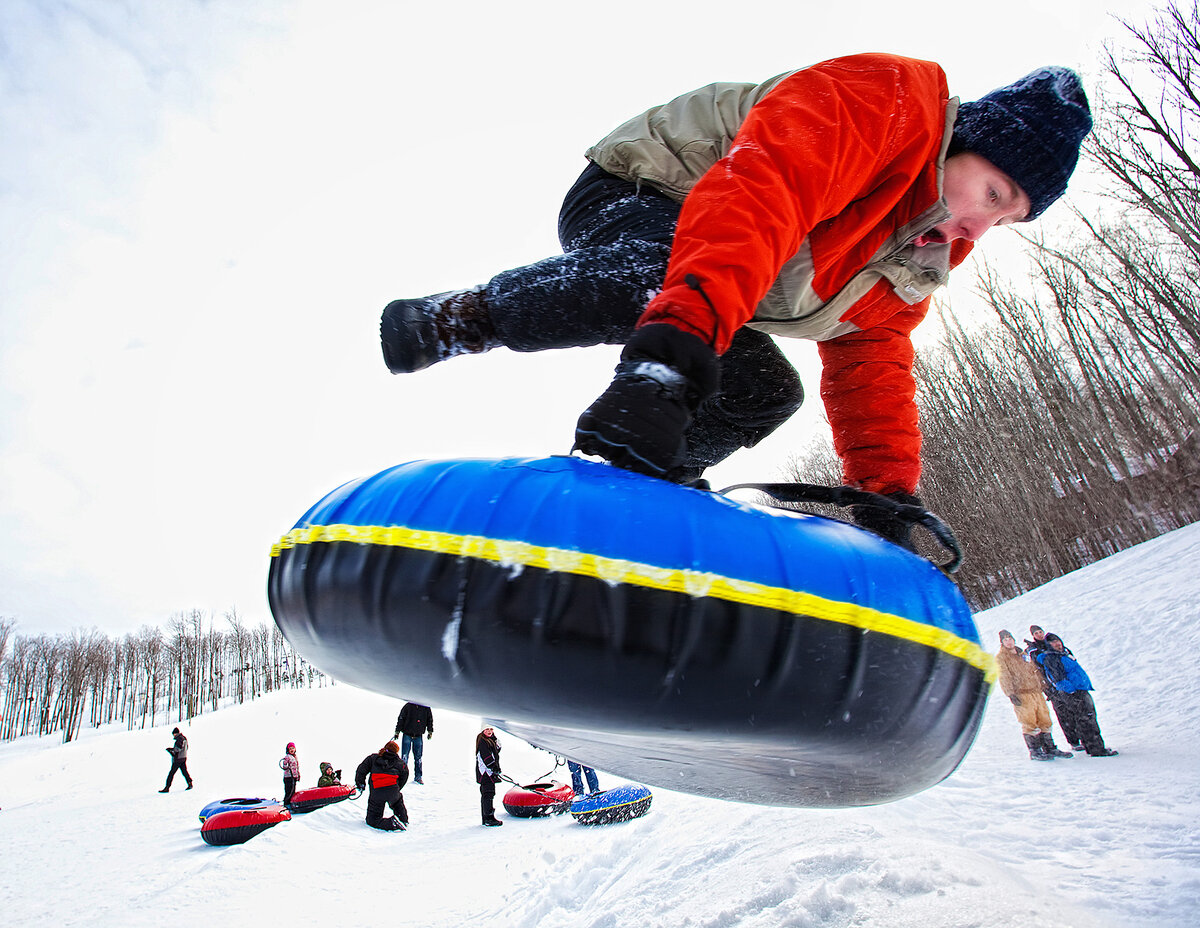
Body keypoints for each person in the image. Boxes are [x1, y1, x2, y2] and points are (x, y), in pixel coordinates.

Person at [379, 55, 1092, 543]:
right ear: (964, 143)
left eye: (1006, 219)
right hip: (655, 190)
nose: (981, 225)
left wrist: (888, 492)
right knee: (657, 275)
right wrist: (664, 373)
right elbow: (759, 199)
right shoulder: (886, 105)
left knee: (766, 391)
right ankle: (456, 319)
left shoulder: (923, 257)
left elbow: (872, 363)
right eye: (992, 194)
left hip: (718, 277)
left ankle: (642, 483)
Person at [1034, 634, 1118, 757]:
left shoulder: (1063, 654)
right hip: (1075, 693)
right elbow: (1058, 678)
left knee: (1085, 719)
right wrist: (1072, 691)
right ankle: (1097, 749)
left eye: (1058, 641)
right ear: (1048, 645)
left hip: (1079, 690)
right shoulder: (1051, 657)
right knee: (1087, 719)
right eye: (1053, 642)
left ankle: (1090, 746)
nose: (1057, 644)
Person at [995, 630, 1072, 761]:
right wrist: (1010, 693)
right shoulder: (1001, 658)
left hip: (1036, 691)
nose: (1009, 641)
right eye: (1005, 639)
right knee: (1029, 721)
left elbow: (1034, 670)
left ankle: (1049, 747)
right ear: (1002, 642)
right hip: (1022, 693)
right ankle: (1035, 750)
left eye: (1010, 638)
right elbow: (1004, 676)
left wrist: (1043, 684)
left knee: (1044, 719)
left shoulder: (1023, 653)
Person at [1026, 625, 1082, 750]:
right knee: (1063, 714)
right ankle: (1073, 741)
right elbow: (1037, 669)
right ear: (1033, 635)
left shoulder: (1052, 643)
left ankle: (1082, 736)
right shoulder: (1033, 650)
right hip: (1051, 686)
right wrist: (1046, 687)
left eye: (1041, 632)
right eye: (1036, 633)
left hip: (1065, 683)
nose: (1039, 634)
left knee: (1076, 711)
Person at [354, 740, 410, 831]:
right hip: (393, 791)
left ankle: (391, 823)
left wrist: (360, 784)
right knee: (397, 803)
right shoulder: (400, 763)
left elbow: (361, 770)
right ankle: (403, 820)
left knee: (372, 820)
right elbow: (405, 775)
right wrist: (397, 787)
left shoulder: (373, 758)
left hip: (377, 791)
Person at [393, 701, 434, 785]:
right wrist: (397, 731)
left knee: (418, 758)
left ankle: (418, 777)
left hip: (418, 736)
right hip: (407, 734)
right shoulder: (408, 706)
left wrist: (430, 731)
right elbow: (401, 718)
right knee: (404, 757)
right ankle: (401, 777)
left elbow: (429, 719)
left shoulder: (426, 707)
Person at [475, 726, 504, 827]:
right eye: (487, 729)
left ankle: (487, 817)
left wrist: (496, 742)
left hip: (488, 773)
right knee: (488, 794)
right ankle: (488, 818)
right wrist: (493, 767)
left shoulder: (489, 740)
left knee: (488, 794)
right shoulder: (483, 741)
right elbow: (486, 757)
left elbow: (495, 752)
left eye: (491, 729)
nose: (489, 731)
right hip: (485, 773)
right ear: (483, 730)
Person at [159, 727, 194, 792]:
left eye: (173, 734)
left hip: (178, 759)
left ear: (175, 733)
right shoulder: (184, 738)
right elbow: (186, 748)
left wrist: (171, 750)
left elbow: (178, 749)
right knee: (184, 772)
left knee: (171, 773)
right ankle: (190, 783)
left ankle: (167, 787)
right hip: (183, 757)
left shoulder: (179, 739)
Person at [280, 741, 300, 806]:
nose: (292, 750)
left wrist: (298, 776)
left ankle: (291, 804)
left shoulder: (295, 757)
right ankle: (286, 804)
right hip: (288, 777)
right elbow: (284, 766)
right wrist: (286, 765)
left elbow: (297, 768)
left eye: (293, 748)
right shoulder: (287, 757)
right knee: (288, 792)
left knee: (292, 792)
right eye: (290, 748)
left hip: (293, 777)